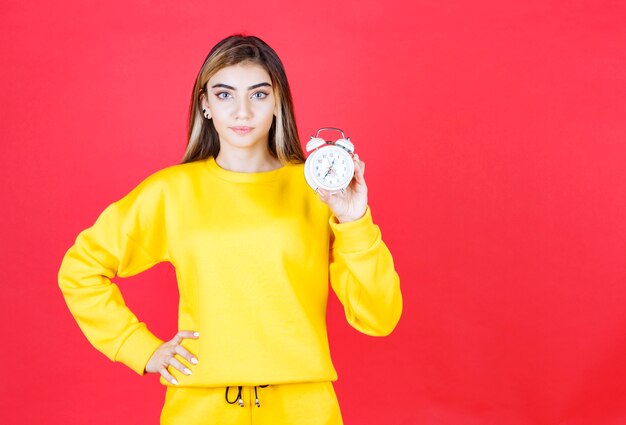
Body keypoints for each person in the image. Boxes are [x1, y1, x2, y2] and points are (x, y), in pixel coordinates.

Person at [58, 34, 402, 425]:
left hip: (305, 408)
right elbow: (80, 269)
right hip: (200, 409)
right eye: (224, 95)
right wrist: (138, 347)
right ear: (205, 104)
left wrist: (354, 220)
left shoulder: (320, 191)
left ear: (277, 103)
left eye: (258, 95)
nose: (242, 112)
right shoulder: (171, 192)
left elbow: (379, 316)